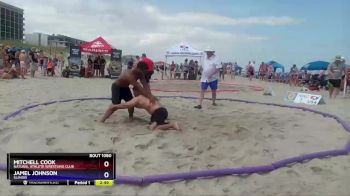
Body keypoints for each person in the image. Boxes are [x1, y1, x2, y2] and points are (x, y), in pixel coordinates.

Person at [100, 94, 182, 130]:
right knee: (155, 125)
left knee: (153, 128)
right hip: (163, 111)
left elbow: (126, 105)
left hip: (158, 112)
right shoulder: (148, 96)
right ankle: (166, 123)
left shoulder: (139, 98)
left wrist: (115, 106)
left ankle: (172, 125)